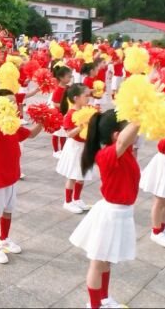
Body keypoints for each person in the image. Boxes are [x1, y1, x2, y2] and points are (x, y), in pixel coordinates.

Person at [69, 109, 140, 309]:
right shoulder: (107, 154)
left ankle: (104, 298)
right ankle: (94, 305)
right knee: (97, 263)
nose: (136, 134)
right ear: (117, 135)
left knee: (107, 261)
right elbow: (124, 139)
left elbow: (127, 138)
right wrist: (141, 115)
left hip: (121, 213)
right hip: (111, 215)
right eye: (130, 130)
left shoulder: (123, 150)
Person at [0, 89, 42, 264]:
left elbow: (31, 134)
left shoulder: (14, 127)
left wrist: (42, 122)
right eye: (11, 102)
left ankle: (4, 239)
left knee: (8, 211)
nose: (15, 105)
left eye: (15, 102)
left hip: (12, 177)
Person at [56, 84, 93, 214]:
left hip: (85, 147)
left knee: (81, 175)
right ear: (76, 98)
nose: (89, 98)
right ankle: (68, 201)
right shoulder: (70, 114)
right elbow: (69, 134)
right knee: (72, 176)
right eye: (86, 96)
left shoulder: (87, 110)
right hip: (75, 148)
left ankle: (77, 199)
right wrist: (81, 126)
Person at [50, 66, 73, 158]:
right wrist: (66, 106)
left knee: (63, 133)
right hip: (58, 114)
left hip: (65, 114)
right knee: (56, 133)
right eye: (68, 76)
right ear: (61, 78)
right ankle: (55, 151)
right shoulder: (58, 90)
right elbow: (55, 104)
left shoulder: (68, 88)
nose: (70, 78)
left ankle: (63, 150)